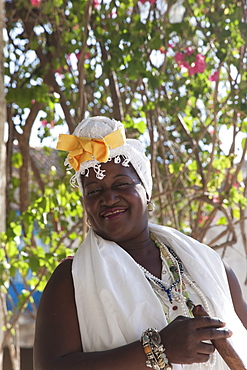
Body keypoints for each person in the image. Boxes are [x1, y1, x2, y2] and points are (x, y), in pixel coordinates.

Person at [34, 116, 247, 370]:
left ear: (146, 191)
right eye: (94, 191)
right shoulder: (70, 280)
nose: (109, 198)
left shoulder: (211, 266)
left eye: (121, 184)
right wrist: (158, 348)